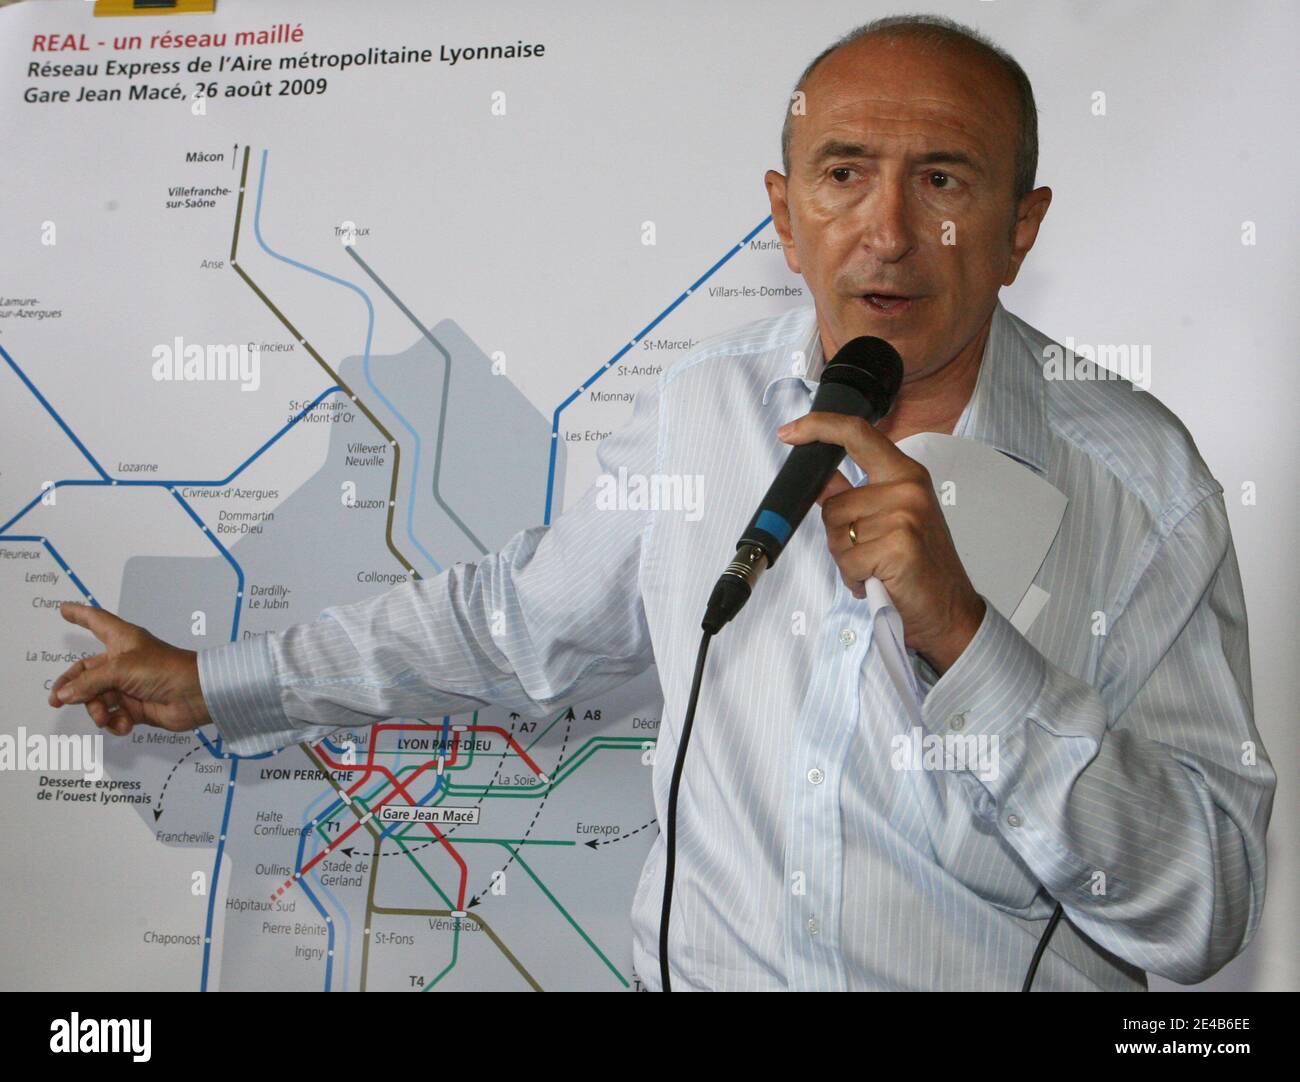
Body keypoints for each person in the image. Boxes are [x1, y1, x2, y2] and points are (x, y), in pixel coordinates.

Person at [48, 14, 1274, 991]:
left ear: (1019, 228)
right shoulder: (704, 410)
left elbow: (1200, 907)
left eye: (943, 179)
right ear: (785, 216)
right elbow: (503, 622)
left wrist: (963, 633)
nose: (887, 232)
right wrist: (217, 683)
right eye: (843, 175)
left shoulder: (1142, 483)